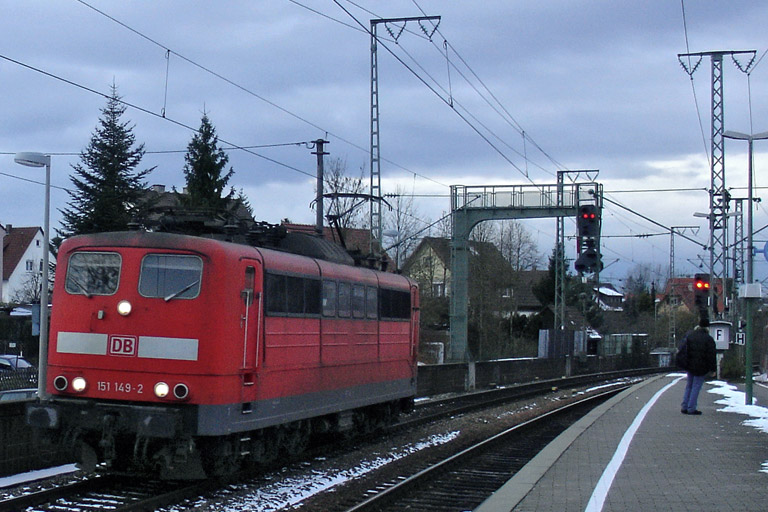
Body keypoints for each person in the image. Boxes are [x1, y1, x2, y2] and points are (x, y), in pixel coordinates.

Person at [680, 317, 717, 415]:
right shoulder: (708, 339)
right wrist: (713, 369)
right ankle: (691, 408)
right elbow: (711, 355)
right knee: (696, 386)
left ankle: (684, 406)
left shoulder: (690, 336)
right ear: (707, 327)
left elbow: (684, 350)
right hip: (701, 366)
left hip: (690, 365)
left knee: (689, 385)